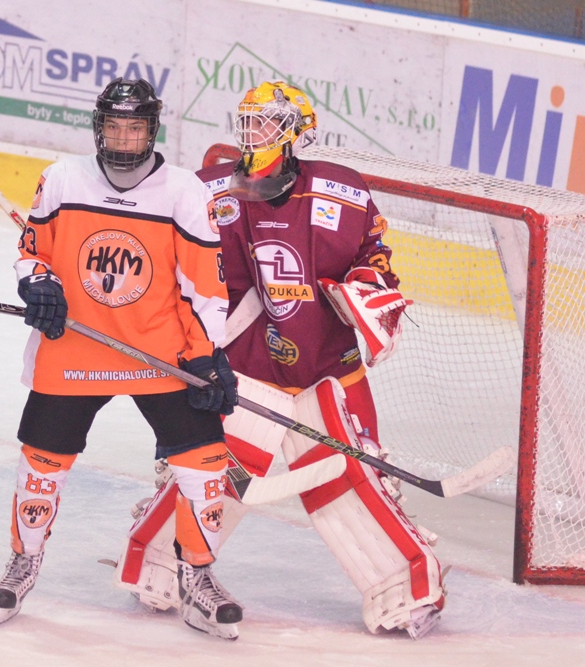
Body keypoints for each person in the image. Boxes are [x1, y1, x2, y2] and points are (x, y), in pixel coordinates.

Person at [111, 81, 445, 639]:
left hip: (327, 365)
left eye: (266, 123)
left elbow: (375, 258)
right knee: (212, 475)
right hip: (243, 367)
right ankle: (158, 568)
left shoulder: (344, 192)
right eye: (248, 121)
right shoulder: (211, 190)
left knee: (353, 478)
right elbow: (164, 257)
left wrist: (366, 287)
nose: (253, 133)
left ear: (295, 133)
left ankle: (407, 590)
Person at [0, 78, 243, 639]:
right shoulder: (61, 178)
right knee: (41, 462)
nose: (124, 139)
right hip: (74, 347)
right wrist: (39, 283)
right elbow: (32, 253)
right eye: (115, 127)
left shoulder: (183, 191)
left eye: (135, 128)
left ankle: (197, 574)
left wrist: (206, 355)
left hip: (159, 353)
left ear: (153, 131)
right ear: (98, 128)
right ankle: (24, 559)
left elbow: (205, 285)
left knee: (206, 464)